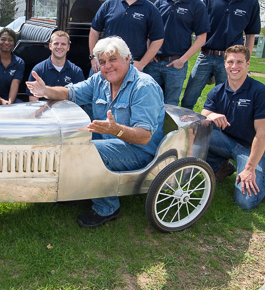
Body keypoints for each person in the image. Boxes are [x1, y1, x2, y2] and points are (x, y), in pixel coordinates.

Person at [27, 36, 165, 228]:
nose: (107, 66)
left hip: (139, 151)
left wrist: (116, 130)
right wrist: (45, 91)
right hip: (109, 139)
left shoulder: (144, 87)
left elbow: (144, 136)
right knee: (68, 140)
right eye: (102, 62)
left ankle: (107, 207)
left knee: (86, 152)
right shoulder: (100, 79)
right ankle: (82, 189)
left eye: (112, 59)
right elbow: (71, 92)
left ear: (127, 58)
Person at [201, 45, 265, 209]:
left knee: (246, 201)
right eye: (230, 62)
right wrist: (211, 115)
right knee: (200, 131)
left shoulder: (260, 92)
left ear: (247, 64)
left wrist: (250, 169)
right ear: (225, 64)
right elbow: (203, 114)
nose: (234, 66)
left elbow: (262, 133)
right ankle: (222, 167)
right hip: (226, 141)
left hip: (250, 148)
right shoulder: (217, 91)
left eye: (239, 62)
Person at [181, 0, 261, 109]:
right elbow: (199, 29)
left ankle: (218, 124)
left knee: (227, 101)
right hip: (206, 56)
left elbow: (250, 35)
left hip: (230, 59)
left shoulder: (251, 2)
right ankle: (185, 123)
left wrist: (245, 59)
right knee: (188, 98)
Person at [144, 0, 210, 105]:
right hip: (154, 63)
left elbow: (201, 38)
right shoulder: (160, 3)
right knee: (147, 101)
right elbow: (149, 31)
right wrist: (150, 53)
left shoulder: (197, 5)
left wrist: (182, 60)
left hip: (176, 65)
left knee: (171, 104)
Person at [89, 0, 164, 73]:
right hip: (105, 62)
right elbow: (94, 30)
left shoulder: (150, 9)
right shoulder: (109, 4)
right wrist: (93, 56)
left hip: (131, 65)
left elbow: (158, 39)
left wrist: (142, 64)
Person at [26, 31, 85, 102]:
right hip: (44, 109)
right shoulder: (38, 70)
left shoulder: (76, 71)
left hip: (68, 109)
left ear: (68, 47)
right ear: (50, 46)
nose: (59, 47)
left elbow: (80, 98)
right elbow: (33, 99)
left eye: (63, 44)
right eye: (56, 44)